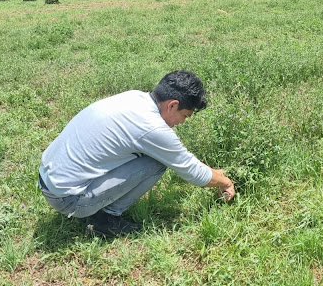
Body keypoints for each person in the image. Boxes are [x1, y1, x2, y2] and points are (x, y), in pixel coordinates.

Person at [37, 70, 235, 237]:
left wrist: (214, 173)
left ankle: (100, 208)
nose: (182, 122)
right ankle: (105, 220)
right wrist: (225, 182)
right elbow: (192, 171)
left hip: (49, 179)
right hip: (67, 198)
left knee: (153, 154)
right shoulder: (152, 128)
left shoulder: (135, 97)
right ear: (173, 105)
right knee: (157, 161)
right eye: (185, 116)